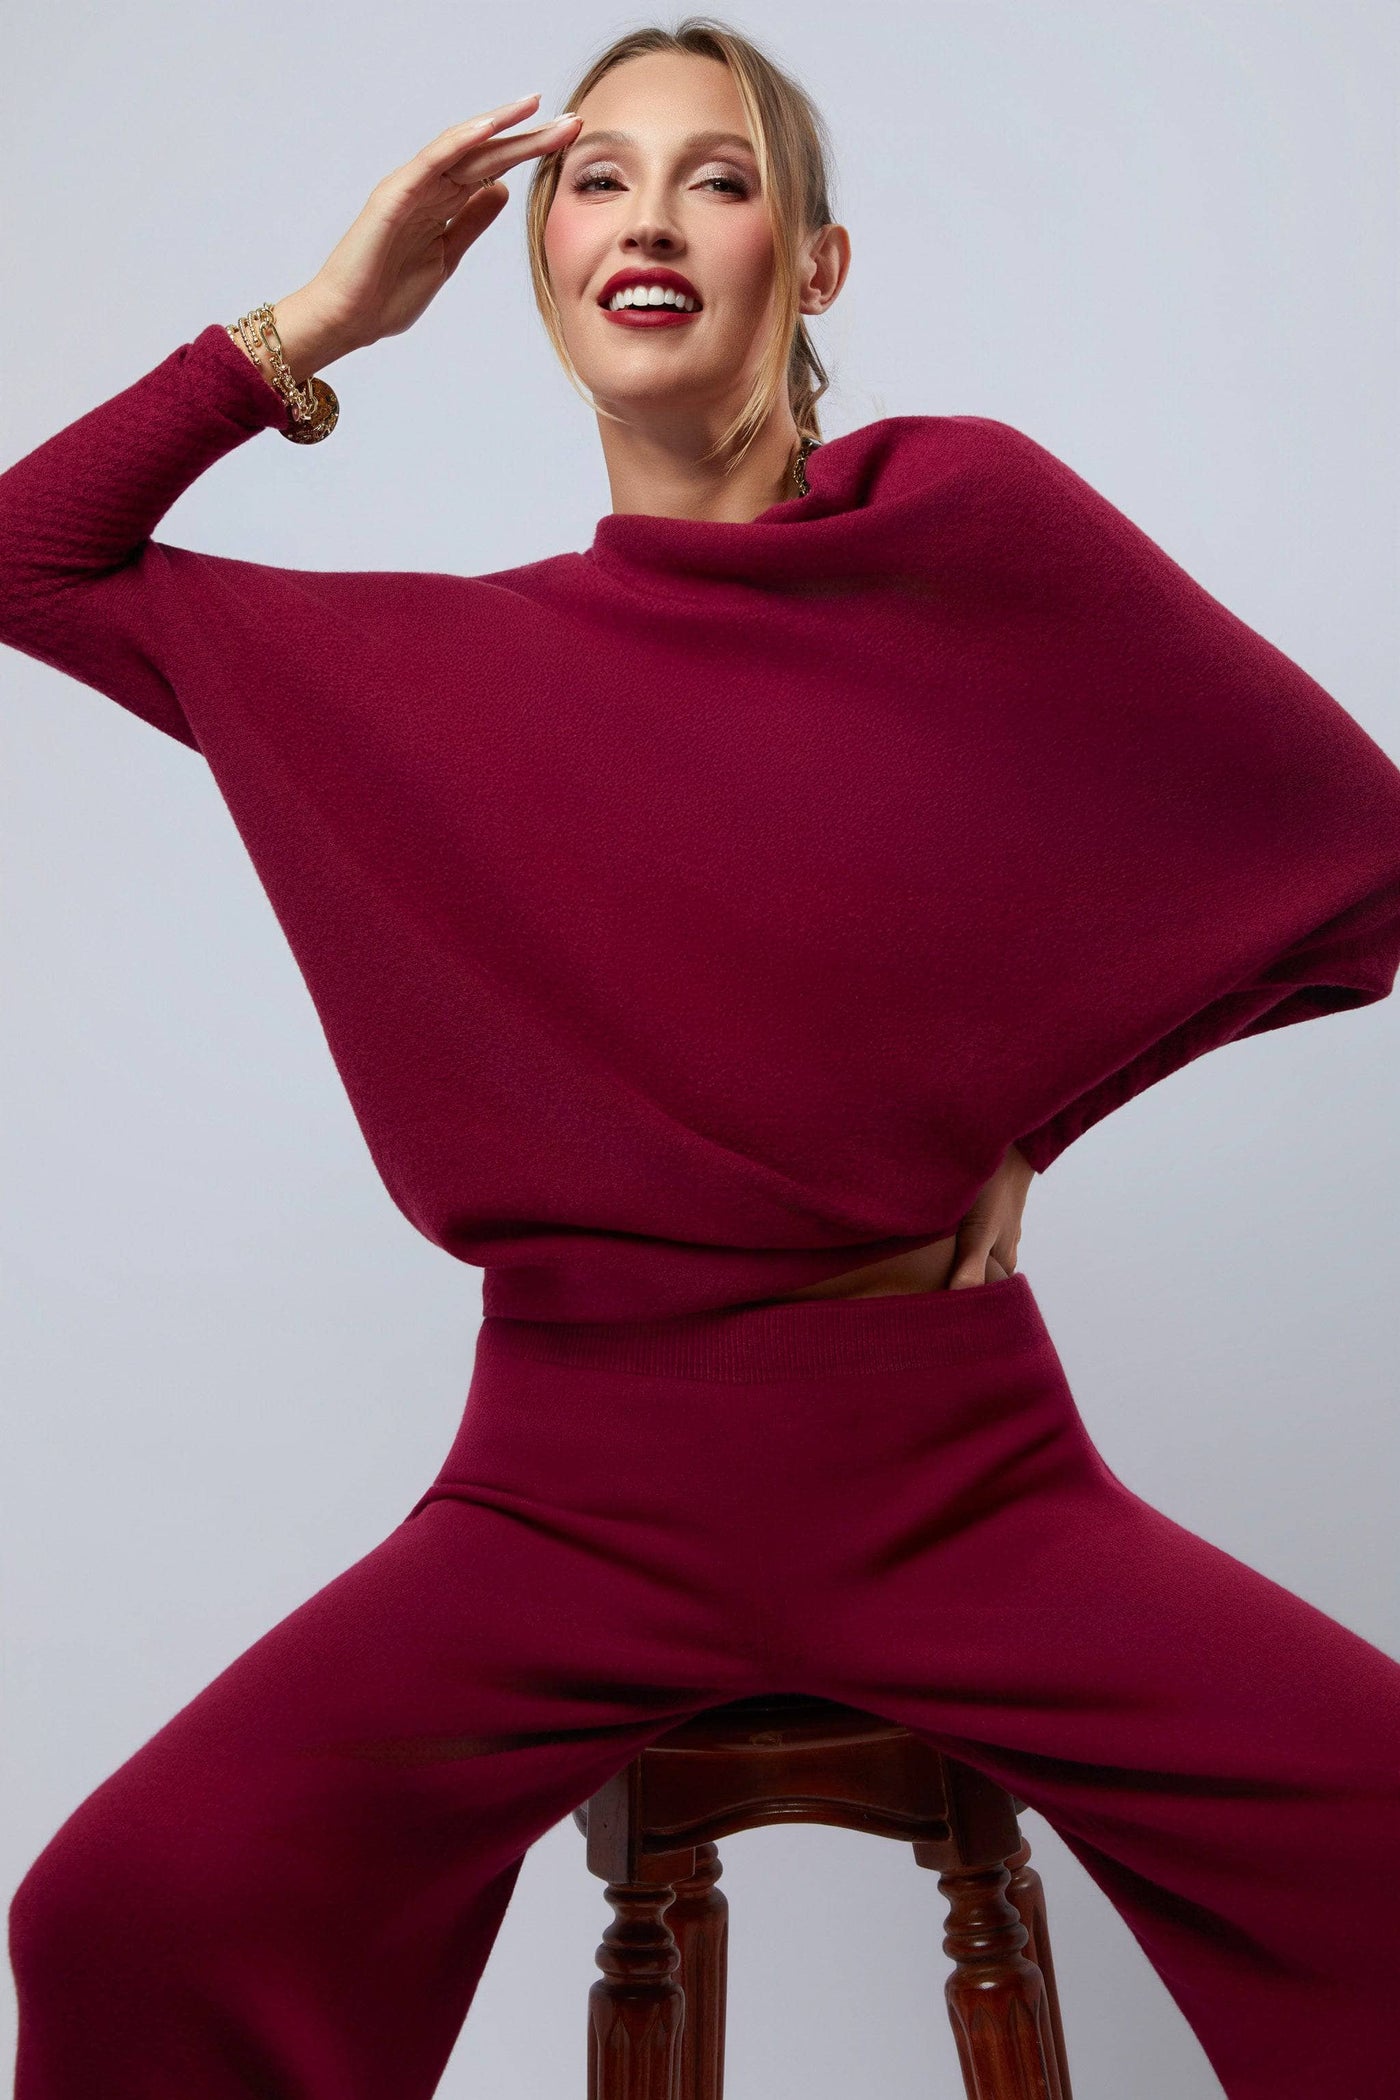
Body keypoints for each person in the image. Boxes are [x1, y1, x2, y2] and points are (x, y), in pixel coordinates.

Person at [3, 19, 1399, 2099]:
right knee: (123, 1907)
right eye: (593, 175)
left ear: (814, 264)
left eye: (719, 176)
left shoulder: (967, 518)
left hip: (959, 1479)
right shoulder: (429, 674)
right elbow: (32, 550)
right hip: (566, 1495)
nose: (648, 214)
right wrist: (322, 316)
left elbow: (1348, 862)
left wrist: (1031, 1120)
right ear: (536, 251)